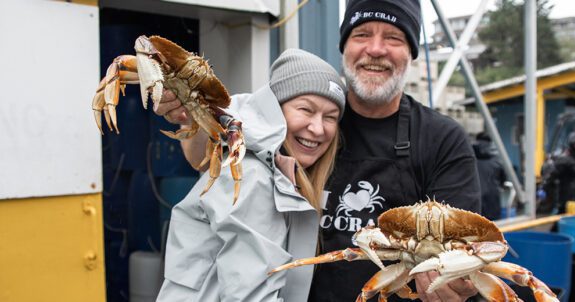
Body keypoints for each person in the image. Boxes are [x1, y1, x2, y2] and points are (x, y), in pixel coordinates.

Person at [156, 0, 482, 300]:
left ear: (412, 52)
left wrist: (459, 282)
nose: (376, 48)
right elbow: (211, 154)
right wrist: (193, 117)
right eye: (362, 34)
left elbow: (464, 249)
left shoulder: (442, 140)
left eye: (394, 38)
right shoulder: (307, 117)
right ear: (344, 48)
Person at [155, 49, 346, 302]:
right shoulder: (252, 174)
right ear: (275, 110)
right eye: (305, 110)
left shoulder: (276, 172)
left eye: (330, 117)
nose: (318, 128)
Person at [543, 131, 575, 214]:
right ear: (573, 145)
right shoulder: (565, 160)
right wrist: (544, 189)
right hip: (569, 202)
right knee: (564, 223)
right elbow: (551, 175)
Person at [473, 132, 506, 220]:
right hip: (492, 201)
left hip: (474, 201)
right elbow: (503, 180)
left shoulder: (470, 159)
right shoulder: (497, 160)